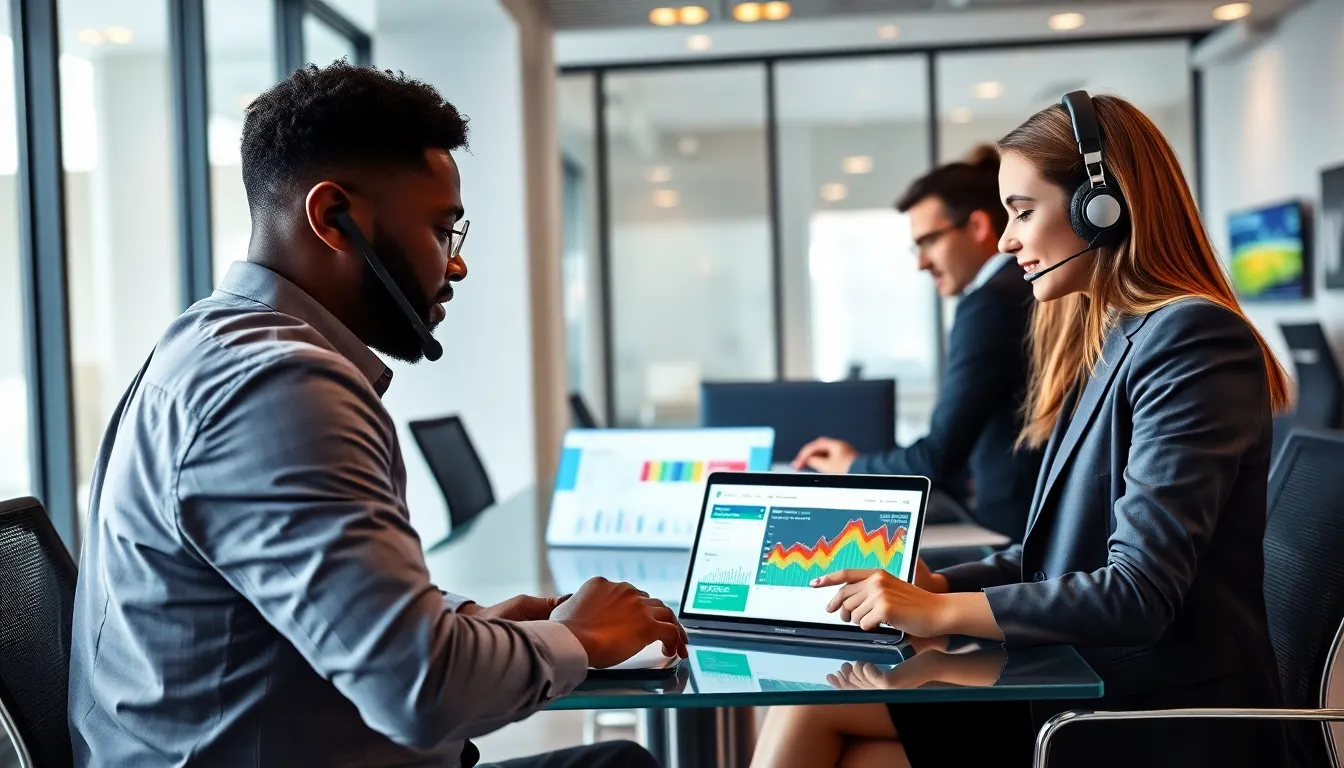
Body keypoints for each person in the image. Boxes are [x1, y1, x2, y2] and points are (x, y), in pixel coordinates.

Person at [68, 62, 684, 768]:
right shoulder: (277, 387)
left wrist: (453, 621)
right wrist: (580, 639)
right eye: (440, 231)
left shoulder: (207, 342)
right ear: (334, 218)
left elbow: (286, 607)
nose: (455, 267)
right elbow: (421, 691)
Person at [752, 92, 1291, 768]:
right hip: (1086, 678)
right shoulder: (1118, 337)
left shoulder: (1191, 339)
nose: (1006, 242)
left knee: (817, 711)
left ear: (1102, 208)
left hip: (1148, 709)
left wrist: (938, 615)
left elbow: (1137, 593)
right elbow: (1064, 550)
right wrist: (941, 586)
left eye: (1023, 212)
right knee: (822, 712)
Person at [792, 147, 1042, 542]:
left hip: (1011, 535)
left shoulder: (990, 302)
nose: (920, 262)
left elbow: (938, 457)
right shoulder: (1020, 289)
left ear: (977, 227)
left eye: (929, 241)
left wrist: (852, 466)